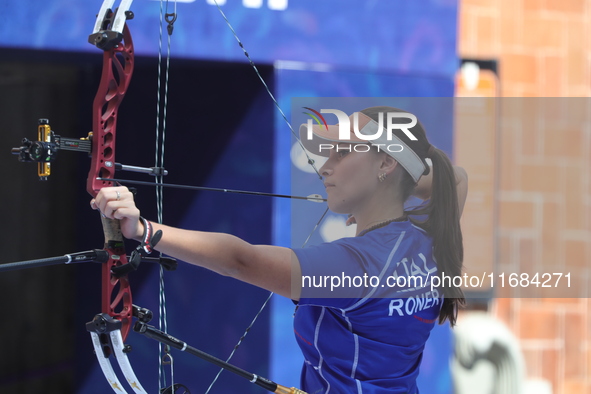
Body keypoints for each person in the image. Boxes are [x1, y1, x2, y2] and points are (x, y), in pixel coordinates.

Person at [92, 106, 468, 394]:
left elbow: (240, 260)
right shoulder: (428, 238)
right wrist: (382, 192)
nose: (326, 167)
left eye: (343, 153)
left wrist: (142, 229)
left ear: (386, 162)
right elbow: (455, 178)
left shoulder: (359, 265)